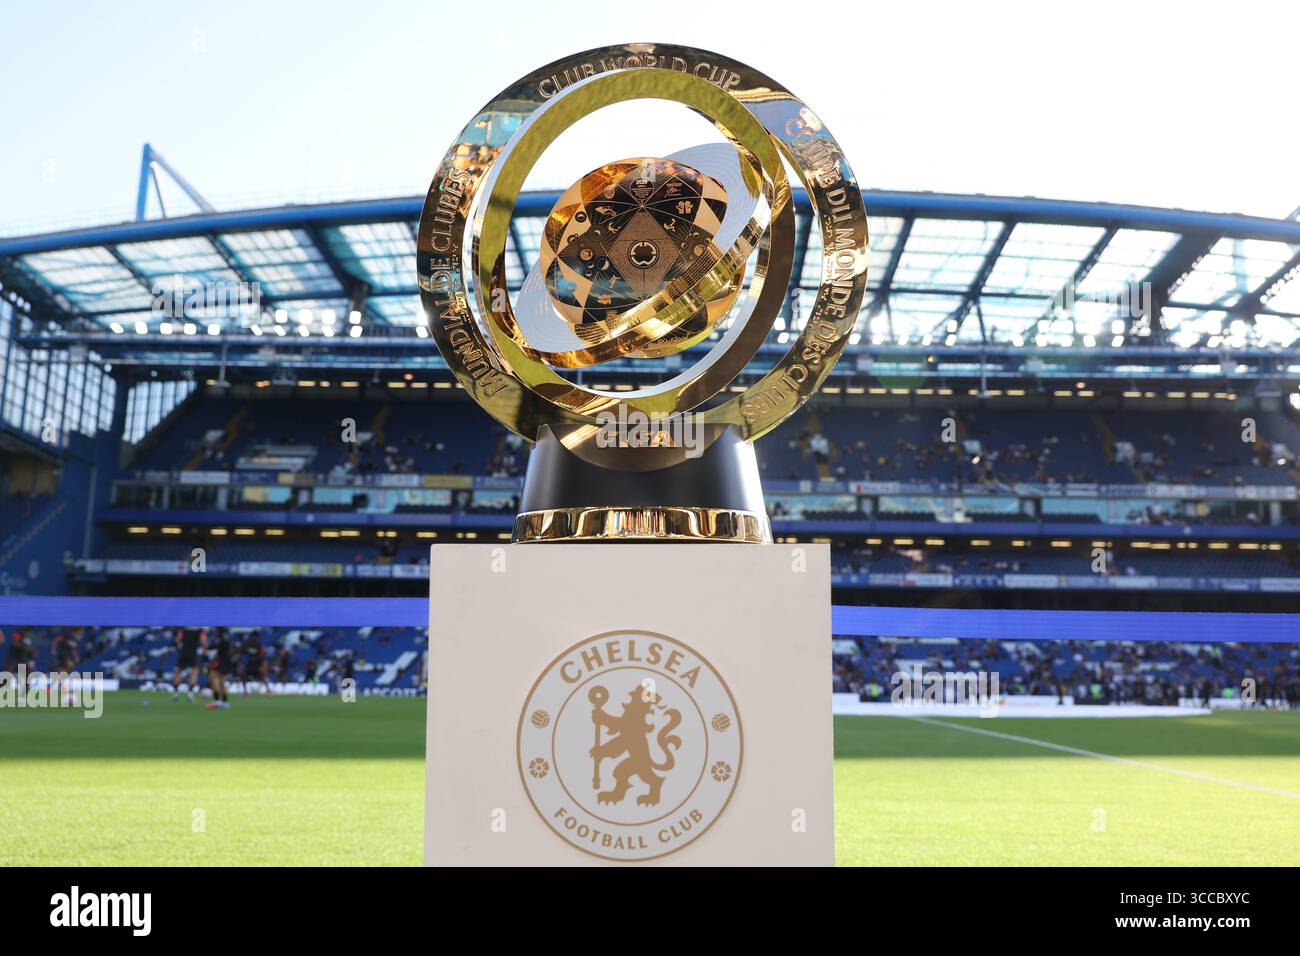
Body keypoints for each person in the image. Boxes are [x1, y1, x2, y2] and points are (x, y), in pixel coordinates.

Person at [172, 628, 205, 702]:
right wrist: (204, 649)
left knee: (178, 672)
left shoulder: (183, 628)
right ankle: (190, 695)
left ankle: (175, 694)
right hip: (193, 653)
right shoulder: (200, 630)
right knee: (194, 673)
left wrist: (178, 646)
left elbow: (178, 639)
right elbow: (203, 642)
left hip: (183, 652)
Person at [205, 628, 234, 710]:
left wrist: (207, 645)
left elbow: (211, 647)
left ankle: (217, 701)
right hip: (226, 661)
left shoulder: (222, 640)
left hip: (221, 661)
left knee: (213, 678)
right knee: (222, 681)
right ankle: (225, 702)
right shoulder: (226, 640)